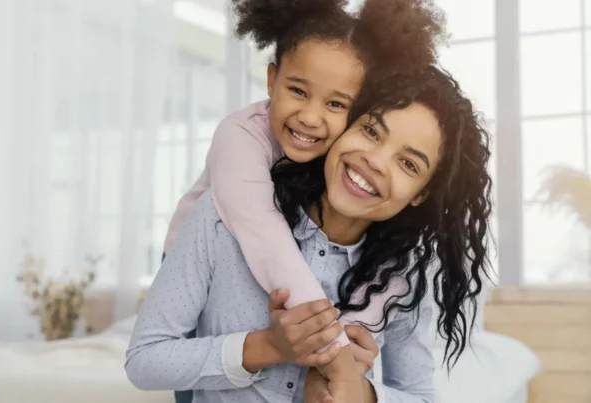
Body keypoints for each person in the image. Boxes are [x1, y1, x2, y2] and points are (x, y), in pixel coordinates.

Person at [126, 66, 493, 403]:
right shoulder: (222, 218)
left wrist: (362, 393)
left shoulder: (403, 278)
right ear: (345, 124)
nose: (376, 161)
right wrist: (269, 346)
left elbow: (418, 395)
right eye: (370, 131)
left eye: (408, 163)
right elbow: (145, 359)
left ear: (421, 194)